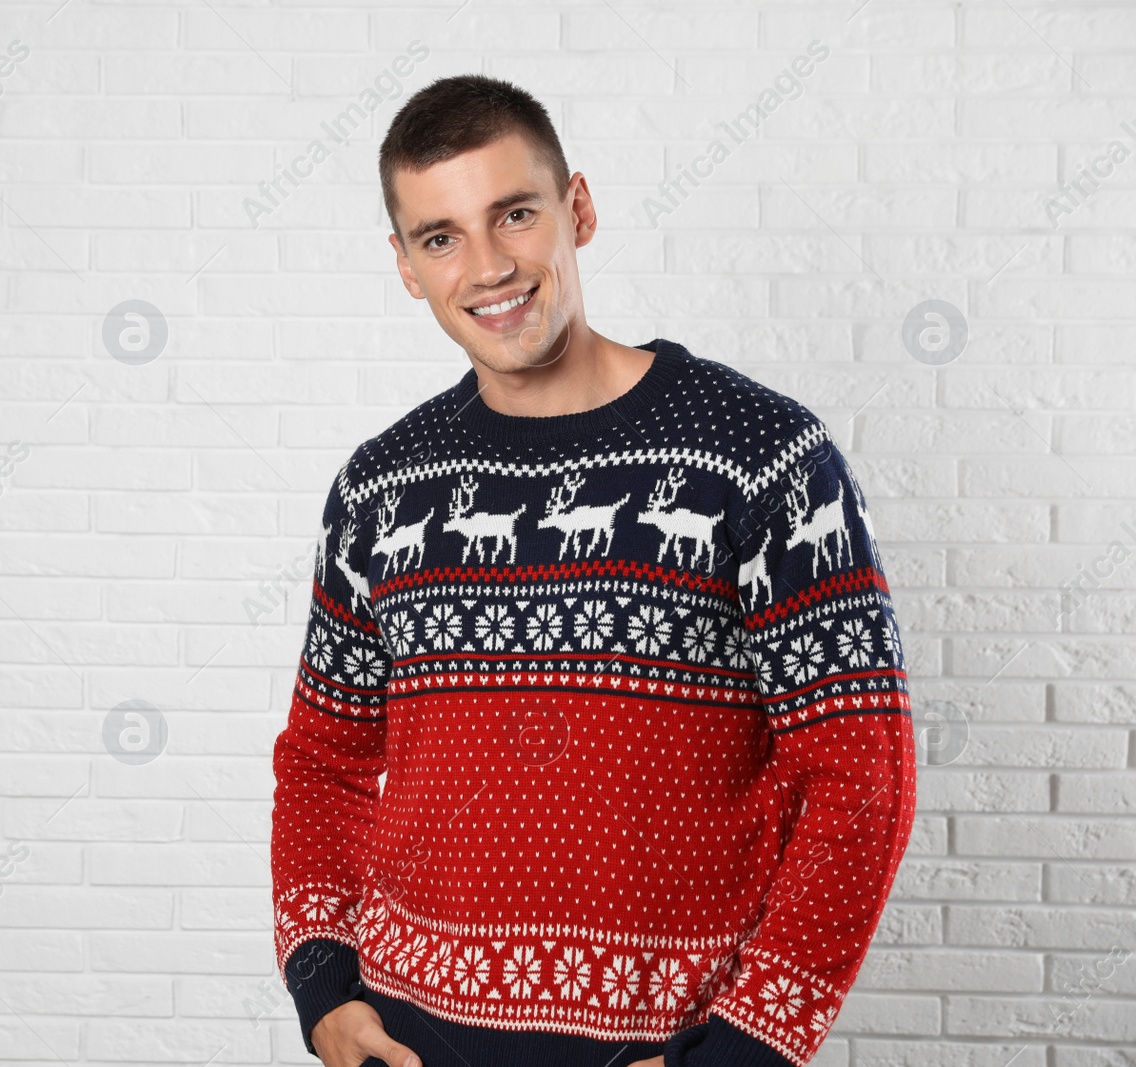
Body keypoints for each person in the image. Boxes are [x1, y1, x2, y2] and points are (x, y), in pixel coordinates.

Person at [271, 74, 916, 1067]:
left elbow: (859, 775)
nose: (487, 267)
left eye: (514, 214)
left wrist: (742, 1050)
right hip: (407, 1040)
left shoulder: (760, 456)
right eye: (440, 236)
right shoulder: (381, 486)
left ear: (577, 207)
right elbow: (323, 757)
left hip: (663, 1047)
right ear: (404, 264)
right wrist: (321, 982)